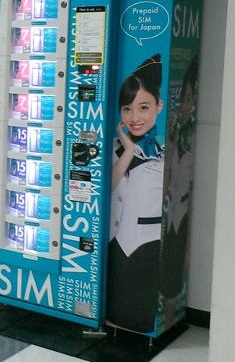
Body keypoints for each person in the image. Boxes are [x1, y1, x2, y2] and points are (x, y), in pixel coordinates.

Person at [106, 54, 164, 333]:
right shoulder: (114, 147)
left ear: (159, 106)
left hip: (147, 250)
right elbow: (107, 186)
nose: (134, 117)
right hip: (112, 248)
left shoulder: (166, 154)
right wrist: (128, 150)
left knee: (138, 317)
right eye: (127, 109)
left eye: (143, 107)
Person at [160, 55, 199, 326]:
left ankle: (169, 321)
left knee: (172, 279)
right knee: (164, 276)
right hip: (167, 209)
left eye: (190, 98)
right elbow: (165, 181)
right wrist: (171, 142)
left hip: (182, 214)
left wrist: (188, 246)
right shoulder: (178, 131)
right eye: (184, 98)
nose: (186, 105)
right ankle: (165, 319)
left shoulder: (196, 135)